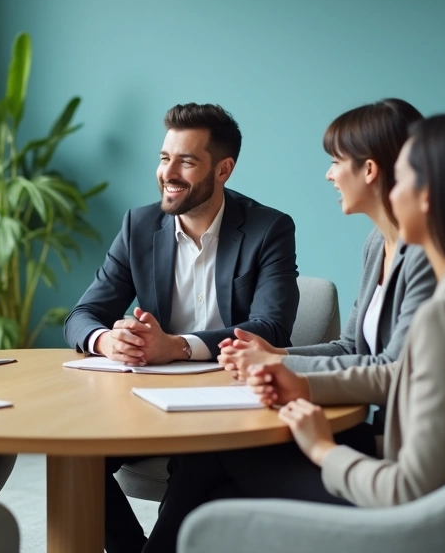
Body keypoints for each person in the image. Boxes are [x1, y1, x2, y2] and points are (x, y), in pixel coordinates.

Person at [143, 112, 445, 551]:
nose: (390, 191)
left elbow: (407, 489)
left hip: (444, 521)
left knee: (219, 468)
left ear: (429, 197)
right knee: (215, 485)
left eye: (400, 179)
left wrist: (322, 449)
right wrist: (284, 362)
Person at [64, 103, 300, 553]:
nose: (168, 173)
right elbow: (81, 316)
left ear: (223, 169)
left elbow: (272, 327)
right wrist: (107, 341)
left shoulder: (269, 228)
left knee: (201, 460)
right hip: (145, 400)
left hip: (229, 399)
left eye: (187, 161)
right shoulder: (139, 225)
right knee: (76, 454)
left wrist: (177, 347)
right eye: (164, 157)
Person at [218, 99, 436, 430]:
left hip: (401, 438)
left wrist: (278, 364)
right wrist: (279, 354)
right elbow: (350, 346)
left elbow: (393, 366)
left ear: (369, 170)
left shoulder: (424, 255)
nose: (329, 174)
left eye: (336, 162)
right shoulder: (377, 243)